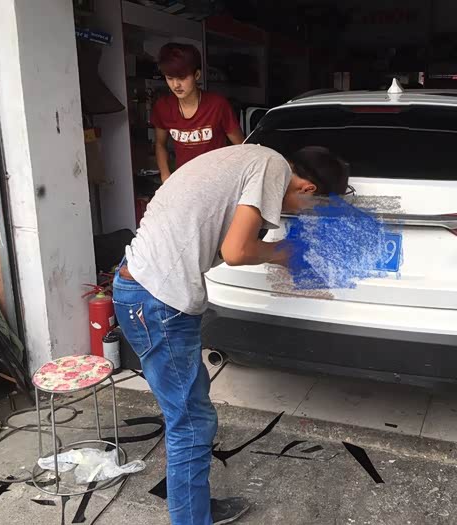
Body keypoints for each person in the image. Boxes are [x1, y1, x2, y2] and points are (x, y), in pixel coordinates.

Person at [112, 144, 349, 525]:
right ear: (308, 188)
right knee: (191, 423)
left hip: (142, 289)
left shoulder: (250, 156)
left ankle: (196, 509)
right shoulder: (273, 166)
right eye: (313, 207)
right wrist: (283, 253)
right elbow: (236, 251)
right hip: (157, 302)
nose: (304, 214)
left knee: (189, 412)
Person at [152, 43, 245, 182]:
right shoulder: (163, 107)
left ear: (197, 75)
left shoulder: (218, 105)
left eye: (182, 78)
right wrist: (165, 175)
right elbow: (160, 144)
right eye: (170, 78)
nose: (176, 85)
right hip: (184, 180)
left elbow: (241, 146)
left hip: (216, 181)